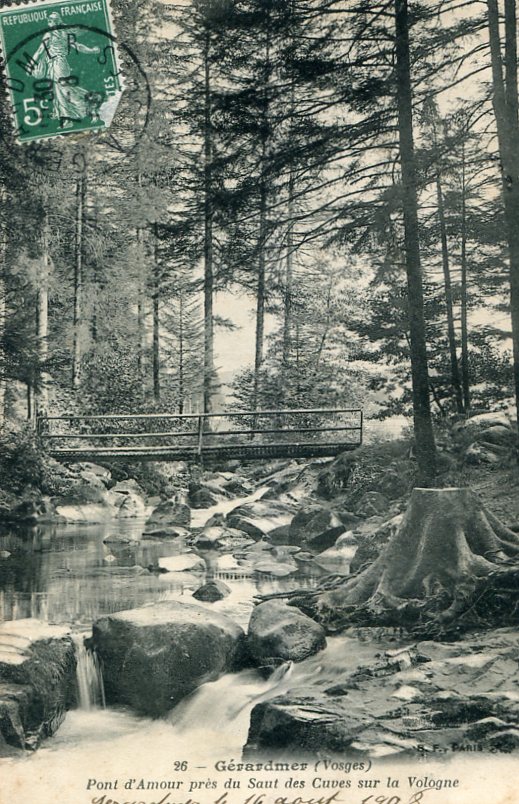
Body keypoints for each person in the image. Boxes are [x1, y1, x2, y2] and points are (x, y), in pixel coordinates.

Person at [31, 12, 101, 128]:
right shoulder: (65, 33)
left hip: (57, 65)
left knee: (63, 91)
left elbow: (39, 51)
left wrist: (31, 64)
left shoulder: (49, 34)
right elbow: (78, 46)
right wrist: (91, 50)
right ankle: (67, 117)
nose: (48, 22)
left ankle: (87, 107)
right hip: (60, 65)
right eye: (49, 20)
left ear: (56, 22)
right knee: (59, 91)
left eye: (51, 20)